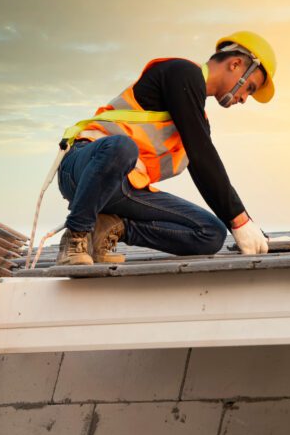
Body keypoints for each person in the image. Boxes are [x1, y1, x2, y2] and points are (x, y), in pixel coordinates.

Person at [53, 32, 275, 265]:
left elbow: (205, 171)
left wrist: (245, 226)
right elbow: (202, 155)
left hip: (125, 189)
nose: (244, 99)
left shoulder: (196, 117)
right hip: (83, 168)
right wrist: (240, 221)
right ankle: (75, 237)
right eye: (249, 88)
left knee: (211, 233)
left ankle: (110, 228)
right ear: (235, 64)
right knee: (122, 147)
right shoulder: (181, 73)